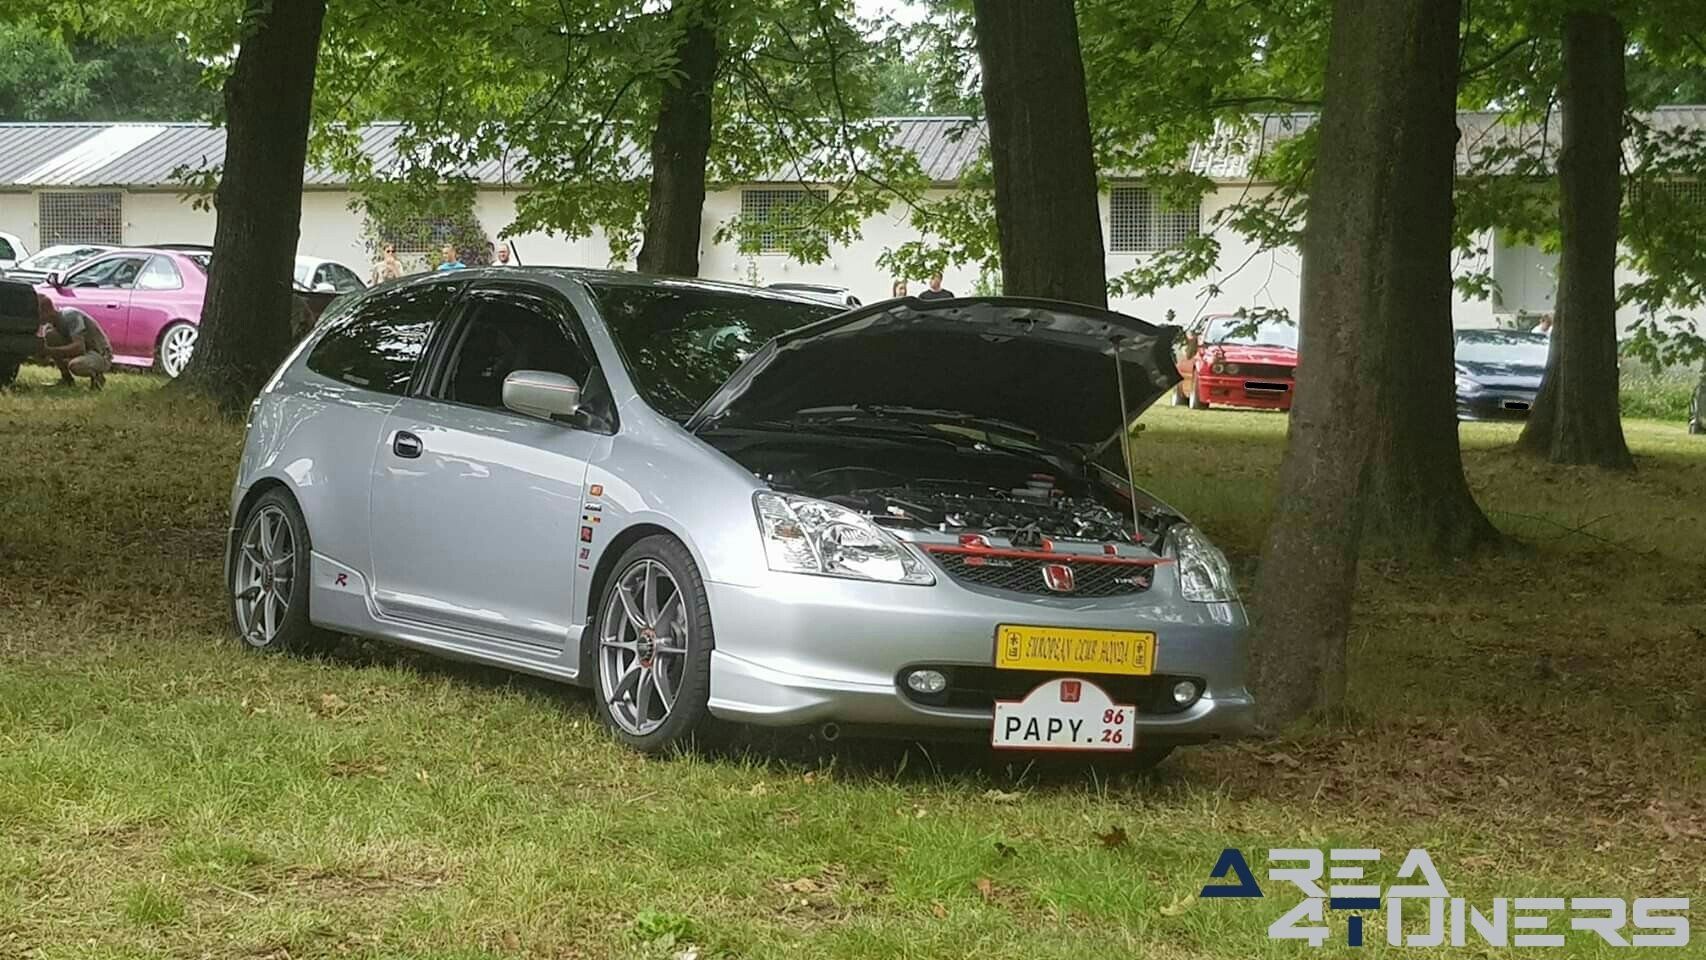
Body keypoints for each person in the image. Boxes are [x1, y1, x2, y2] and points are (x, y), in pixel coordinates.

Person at [36, 294, 112, 390]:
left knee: (76, 366)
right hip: (84, 352)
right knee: (51, 336)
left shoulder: (70, 316)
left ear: (47, 311)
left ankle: (97, 378)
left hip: (99, 354)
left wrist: (49, 351)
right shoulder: (50, 326)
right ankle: (66, 379)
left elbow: (79, 347)